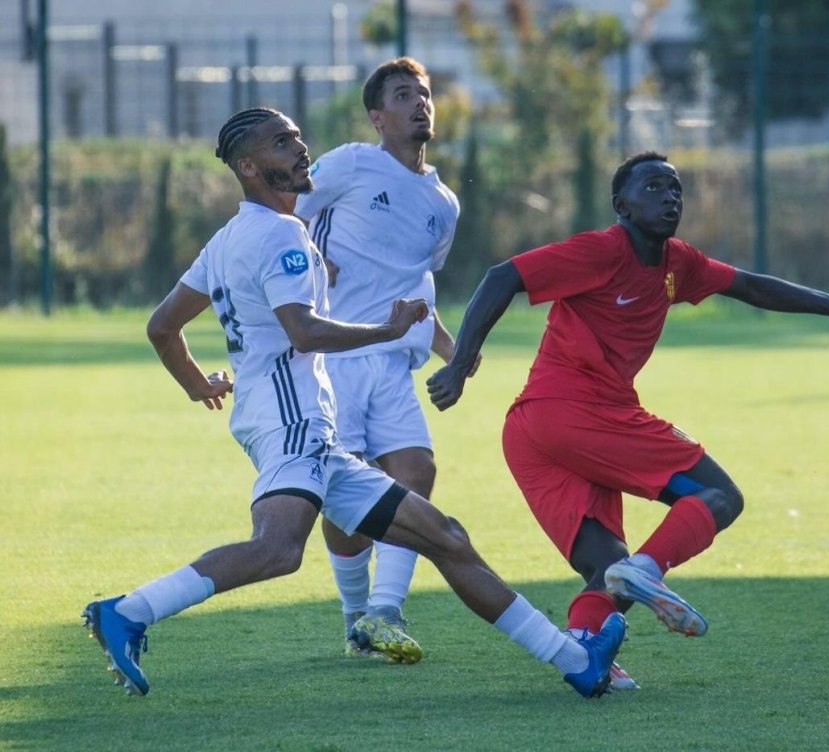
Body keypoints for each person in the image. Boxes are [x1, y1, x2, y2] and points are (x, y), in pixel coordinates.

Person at [81, 106, 626, 699]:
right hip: (293, 422)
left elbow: (163, 327)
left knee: (445, 535)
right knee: (278, 549)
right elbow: (304, 331)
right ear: (249, 166)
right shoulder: (280, 234)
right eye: (280, 143)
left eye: (295, 136)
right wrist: (386, 332)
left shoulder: (229, 236)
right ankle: (128, 612)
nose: (299, 147)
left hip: (298, 428)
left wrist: (198, 385)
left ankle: (576, 660)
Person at [427, 151, 829, 690]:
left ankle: (585, 658)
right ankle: (646, 571)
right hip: (574, 413)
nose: (670, 197)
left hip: (535, 432)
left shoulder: (676, 264)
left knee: (606, 565)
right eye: (655, 187)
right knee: (719, 497)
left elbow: (751, 287)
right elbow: (503, 276)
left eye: (676, 189)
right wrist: (460, 361)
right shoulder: (600, 250)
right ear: (622, 205)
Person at [294, 57, 477, 663]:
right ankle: (356, 618)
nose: (419, 103)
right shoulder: (349, 163)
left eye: (424, 93)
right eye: (403, 96)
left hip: (394, 364)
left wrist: (455, 349)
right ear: (377, 117)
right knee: (345, 496)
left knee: (416, 473)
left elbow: (415, 284)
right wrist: (312, 266)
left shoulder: (444, 203)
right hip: (336, 357)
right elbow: (281, 214)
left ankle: (384, 610)